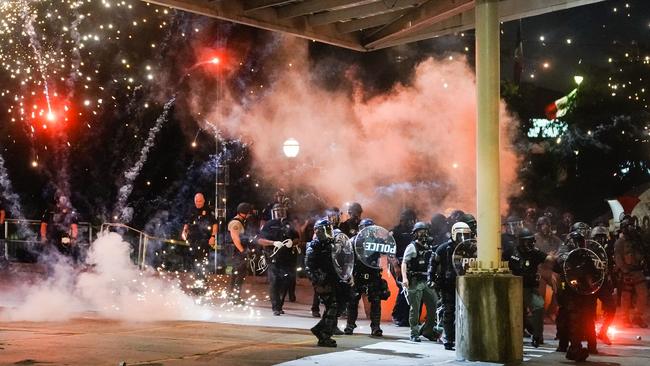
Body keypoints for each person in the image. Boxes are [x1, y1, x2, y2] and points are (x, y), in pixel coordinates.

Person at [552, 225, 596, 361]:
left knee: (587, 317)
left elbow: (593, 271)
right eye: (577, 240)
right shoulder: (565, 251)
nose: (579, 243)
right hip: (567, 289)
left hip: (583, 290)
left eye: (581, 240)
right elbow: (559, 263)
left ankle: (591, 344)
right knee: (567, 317)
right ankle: (568, 346)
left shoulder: (586, 254)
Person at [430, 221, 472, 350]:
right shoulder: (443, 248)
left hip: (466, 284)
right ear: (454, 234)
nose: (463, 238)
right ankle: (448, 338)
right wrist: (430, 279)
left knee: (467, 311)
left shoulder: (472, 248)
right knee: (449, 311)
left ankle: (465, 337)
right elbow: (432, 265)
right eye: (460, 235)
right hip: (448, 284)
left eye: (466, 235)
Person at [344, 218, 388, 337]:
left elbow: (388, 252)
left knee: (376, 300)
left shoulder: (377, 242)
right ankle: (350, 325)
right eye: (365, 228)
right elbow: (348, 259)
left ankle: (375, 327)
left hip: (373, 274)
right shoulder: (353, 241)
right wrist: (349, 275)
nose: (367, 231)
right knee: (352, 301)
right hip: (357, 274)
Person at [255, 204, 300, 315]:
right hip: (273, 256)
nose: (280, 213)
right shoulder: (269, 225)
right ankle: (275, 307)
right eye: (277, 211)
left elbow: (297, 238)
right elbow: (260, 240)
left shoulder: (289, 224)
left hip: (287, 257)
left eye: (282, 211)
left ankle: (280, 305)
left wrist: (292, 242)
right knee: (274, 281)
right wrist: (273, 243)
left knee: (286, 282)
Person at [508, 228, 549, 348]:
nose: (530, 244)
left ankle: (537, 335)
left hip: (530, 288)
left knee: (539, 306)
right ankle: (526, 332)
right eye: (527, 241)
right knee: (519, 313)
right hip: (514, 288)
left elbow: (548, 260)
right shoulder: (511, 252)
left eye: (532, 241)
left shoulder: (535, 253)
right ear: (521, 242)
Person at [401, 221, 440, 342]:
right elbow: (404, 262)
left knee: (434, 305)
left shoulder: (429, 247)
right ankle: (414, 333)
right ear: (415, 233)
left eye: (425, 231)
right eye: (420, 232)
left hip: (426, 280)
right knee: (415, 308)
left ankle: (427, 331)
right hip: (415, 281)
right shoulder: (412, 247)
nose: (423, 234)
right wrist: (405, 278)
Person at [305, 218, 339, 347]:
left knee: (334, 307)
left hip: (331, 279)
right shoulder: (313, 247)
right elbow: (309, 268)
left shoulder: (330, 244)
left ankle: (320, 330)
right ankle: (324, 336)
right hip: (322, 281)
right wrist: (318, 280)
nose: (329, 232)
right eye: (327, 230)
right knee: (333, 306)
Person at [614, 216, 648, 328]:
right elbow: (618, 257)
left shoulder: (637, 240)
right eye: (629, 226)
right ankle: (625, 318)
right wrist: (624, 270)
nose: (631, 228)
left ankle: (637, 317)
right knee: (626, 296)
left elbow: (643, 253)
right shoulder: (620, 242)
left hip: (638, 270)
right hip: (627, 272)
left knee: (643, 294)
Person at [389, 208, 417, 327]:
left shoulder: (414, 231)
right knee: (403, 289)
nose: (411, 223)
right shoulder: (395, 232)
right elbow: (390, 250)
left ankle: (407, 317)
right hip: (398, 262)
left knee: (409, 290)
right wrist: (395, 265)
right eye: (408, 220)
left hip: (409, 263)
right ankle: (397, 315)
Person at [181, 193, 218, 280]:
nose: (198, 203)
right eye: (196, 201)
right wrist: (184, 232)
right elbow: (187, 223)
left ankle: (202, 282)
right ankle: (197, 281)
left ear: (204, 200)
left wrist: (213, 236)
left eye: (200, 201)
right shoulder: (191, 210)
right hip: (192, 240)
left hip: (204, 240)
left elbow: (215, 224)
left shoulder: (209, 210)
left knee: (202, 262)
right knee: (194, 262)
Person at [590, 225, 616, 346]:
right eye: (598, 237)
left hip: (603, 283)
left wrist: (612, 281)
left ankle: (603, 331)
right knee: (589, 311)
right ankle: (588, 333)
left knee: (611, 306)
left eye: (603, 237)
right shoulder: (588, 250)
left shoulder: (608, 251)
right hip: (589, 284)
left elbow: (610, 268)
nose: (601, 240)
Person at [534, 216, 563, 322]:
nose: (545, 227)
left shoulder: (555, 239)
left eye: (547, 225)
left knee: (559, 285)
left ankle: (552, 312)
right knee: (540, 294)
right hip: (539, 269)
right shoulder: (535, 238)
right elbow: (534, 253)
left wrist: (556, 256)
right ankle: (540, 316)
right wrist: (547, 256)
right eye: (543, 225)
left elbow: (562, 249)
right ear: (539, 226)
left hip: (551, 269)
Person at [40, 194, 79, 263]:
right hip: (52, 236)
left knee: (66, 256)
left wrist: (74, 238)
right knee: (51, 256)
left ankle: (65, 270)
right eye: (61, 199)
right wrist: (43, 236)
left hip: (65, 236)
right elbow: (44, 224)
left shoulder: (70, 211)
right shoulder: (50, 209)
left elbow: (74, 225)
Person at [227, 202, 253, 305]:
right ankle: (235, 297)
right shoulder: (236, 223)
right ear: (244, 213)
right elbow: (235, 238)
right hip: (237, 252)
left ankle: (232, 296)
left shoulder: (241, 221)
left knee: (236, 274)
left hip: (238, 251)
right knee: (238, 275)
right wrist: (243, 251)